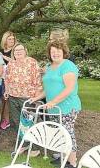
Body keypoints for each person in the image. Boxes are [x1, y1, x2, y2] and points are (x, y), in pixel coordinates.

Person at [30, 40, 81, 168]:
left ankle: (72, 162)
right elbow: (48, 89)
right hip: (53, 107)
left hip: (67, 106)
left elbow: (69, 89)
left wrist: (53, 102)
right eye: (52, 52)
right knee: (60, 133)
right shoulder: (48, 66)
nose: (55, 54)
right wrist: (36, 98)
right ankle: (63, 157)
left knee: (68, 133)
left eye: (58, 51)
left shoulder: (68, 66)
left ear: (63, 52)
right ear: (49, 53)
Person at [4, 43, 42, 157]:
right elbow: (7, 79)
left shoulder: (32, 62)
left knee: (29, 122)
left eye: (21, 50)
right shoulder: (11, 64)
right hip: (13, 96)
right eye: (16, 50)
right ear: (13, 53)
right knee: (17, 122)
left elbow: (38, 81)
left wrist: (36, 97)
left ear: (25, 51)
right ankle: (23, 144)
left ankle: (34, 147)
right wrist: (6, 91)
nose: (18, 52)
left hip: (28, 98)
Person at [0, 31, 17, 130]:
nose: (12, 41)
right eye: (9, 39)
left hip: (14, 79)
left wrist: (4, 57)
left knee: (14, 100)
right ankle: (6, 120)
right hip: (2, 78)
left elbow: (18, 61)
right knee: (4, 100)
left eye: (13, 39)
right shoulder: (1, 51)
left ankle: (18, 120)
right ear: (5, 40)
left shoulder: (16, 50)